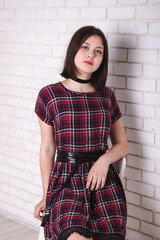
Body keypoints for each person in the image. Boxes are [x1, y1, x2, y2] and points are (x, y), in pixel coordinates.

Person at [33, 26, 128, 240]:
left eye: (98, 51)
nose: (91, 55)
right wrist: (47, 196)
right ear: (74, 49)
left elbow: (122, 144)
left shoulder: (107, 96)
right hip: (66, 182)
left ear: (102, 59)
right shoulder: (50, 95)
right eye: (85, 47)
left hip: (103, 183)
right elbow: (47, 149)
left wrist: (104, 161)